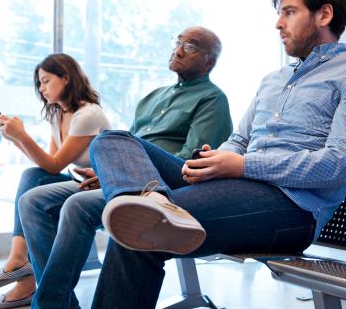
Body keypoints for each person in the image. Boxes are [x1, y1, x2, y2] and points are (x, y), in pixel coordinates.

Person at [88, 0, 346, 308]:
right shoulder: (273, 80)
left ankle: (153, 211)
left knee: (139, 232)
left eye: (289, 12)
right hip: (238, 187)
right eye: (279, 14)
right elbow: (239, 141)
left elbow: (340, 165)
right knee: (111, 140)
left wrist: (243, 166)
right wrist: (215, 162)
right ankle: (154, 201)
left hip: (292, 208)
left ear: (324, 14)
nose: (278, 23)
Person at [18, 26, 233, 309]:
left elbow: (189, 165)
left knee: (77, 206)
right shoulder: (152, 97)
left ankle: (47, 305)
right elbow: (127, 148)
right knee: (32, 200)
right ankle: (62, 304)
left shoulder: (212, 100)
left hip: (159, 187)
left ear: (208, 62)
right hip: (121, 178)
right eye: (177, 41)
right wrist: (105, 171)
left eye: (190, 46)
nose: (178, 49)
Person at [0, 53, 111, 309]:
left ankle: (22, 266)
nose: (41, 89)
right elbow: (48, 163)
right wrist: (15, 139)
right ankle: (19, 260)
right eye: (39, 84)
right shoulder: (56, 114)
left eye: (46, 81)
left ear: (66, 78)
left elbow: (54, 165)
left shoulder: (87, 115)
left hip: (99, 183)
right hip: (79, 181)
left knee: (34, 184)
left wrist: (22, 136)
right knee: (31, 175)